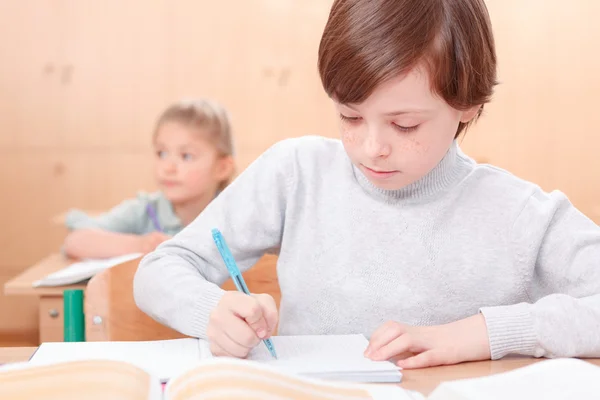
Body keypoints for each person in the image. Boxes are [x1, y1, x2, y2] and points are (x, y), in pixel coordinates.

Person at [133, 0, 600, 369]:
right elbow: (161, 269)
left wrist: (483, 334)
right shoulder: (297, 173)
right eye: (350, 116)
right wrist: (210, 309)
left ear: (468, 105)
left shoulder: (519, 213)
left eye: (405, 124)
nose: (371, 147)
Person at [62, 99, 235, 259]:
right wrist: (140, 245)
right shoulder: (144, 211)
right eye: (162, 153)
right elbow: (76, 241)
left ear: (222, 168)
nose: (168, 167)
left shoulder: (234, 214)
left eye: (186, 156)